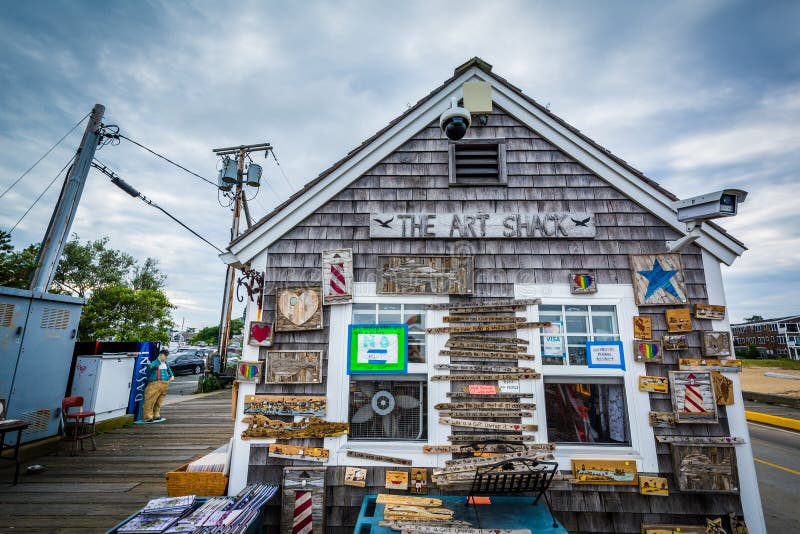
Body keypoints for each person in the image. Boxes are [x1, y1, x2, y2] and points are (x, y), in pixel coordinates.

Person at [142, 348, 174, 423]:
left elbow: (169, 370)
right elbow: (150, 368)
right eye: (165, 356)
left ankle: (156, 414)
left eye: (166, 356)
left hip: (164, 384)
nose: (166, 357)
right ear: (160, 355)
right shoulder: (155, 362)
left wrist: (172, 376)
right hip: (155, 384)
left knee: (159, 401)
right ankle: (148, 416)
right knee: (150, 400)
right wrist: (149, 365)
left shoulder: (165, 363)